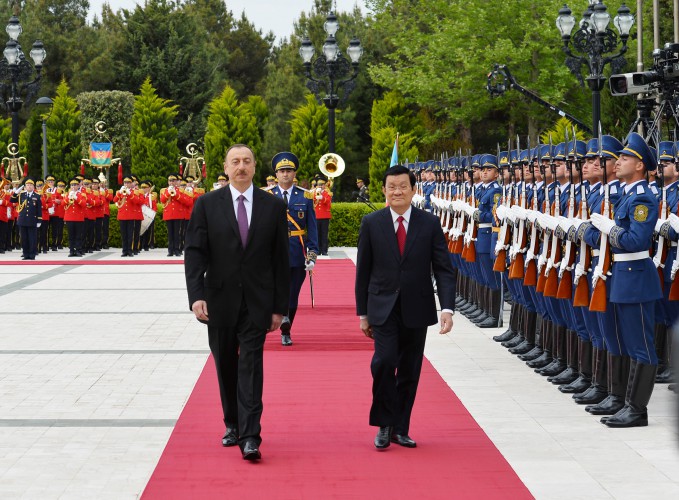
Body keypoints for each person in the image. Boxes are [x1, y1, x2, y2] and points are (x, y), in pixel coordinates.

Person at [184, 144, 290, 461]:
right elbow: (194, 253)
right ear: (226, 168)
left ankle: (250, 435)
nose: (241, 166)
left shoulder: (272, 206)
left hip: (257, 302)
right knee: (226, 365)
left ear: (255, 167)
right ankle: (232, 423)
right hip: (218, 300)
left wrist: (279, 308)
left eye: (246, 161)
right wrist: (196, 296)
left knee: (251, 366)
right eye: (235, 162)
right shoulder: (207, 204)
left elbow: (280, 260)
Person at [355, 165, 457, 450]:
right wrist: (363, 314)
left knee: (410, 370)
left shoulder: (429, 223)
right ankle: (384, 423)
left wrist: (447, 308)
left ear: (414, 190)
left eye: (403, 186)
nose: (397, 191)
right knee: (385, 362)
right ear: (384, 190)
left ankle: (400, 428)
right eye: (391, 186)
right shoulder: (372, 223)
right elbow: (362, 271)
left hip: (417, 306)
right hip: (382, 307)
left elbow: (443, 269)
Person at [268, 152, 319, 346]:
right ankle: (280, 316)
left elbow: (312, 229)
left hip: (297, 252)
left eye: (289, 170)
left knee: (293, 295)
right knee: (274, 290)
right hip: (273, 253)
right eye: (282, 171)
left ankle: (286, 328)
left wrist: (312, 255)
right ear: (276, 174)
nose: (285, 174)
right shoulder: (267, 196)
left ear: (294, 173)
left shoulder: (305, 196)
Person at [11, 178, 42, 260]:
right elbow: (12, 200)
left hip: (32, 220)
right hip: (22, 220)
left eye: (30, 185)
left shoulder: (37, 196)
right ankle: (25, 254)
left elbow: (39, 209)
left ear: (33, 187)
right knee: (24, 239)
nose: (29, 187)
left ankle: (32, 255)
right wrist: (16, 192)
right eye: (27, 185)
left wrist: (39, 220)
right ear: (25, 186)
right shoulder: (21, 195)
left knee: (32, 239)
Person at [314, 177, 332, 256]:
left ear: (325, 186)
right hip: (317, 216)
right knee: (317, 234)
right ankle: (318, 250)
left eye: (322, 185)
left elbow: (328, 202)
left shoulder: (327, 193)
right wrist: (317, 195)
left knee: (324, 234)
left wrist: (322, 197)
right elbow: (313, 201)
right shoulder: (314, 193)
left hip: (325, 216)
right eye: (319, 185)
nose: (320, 186)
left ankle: (324, 250)